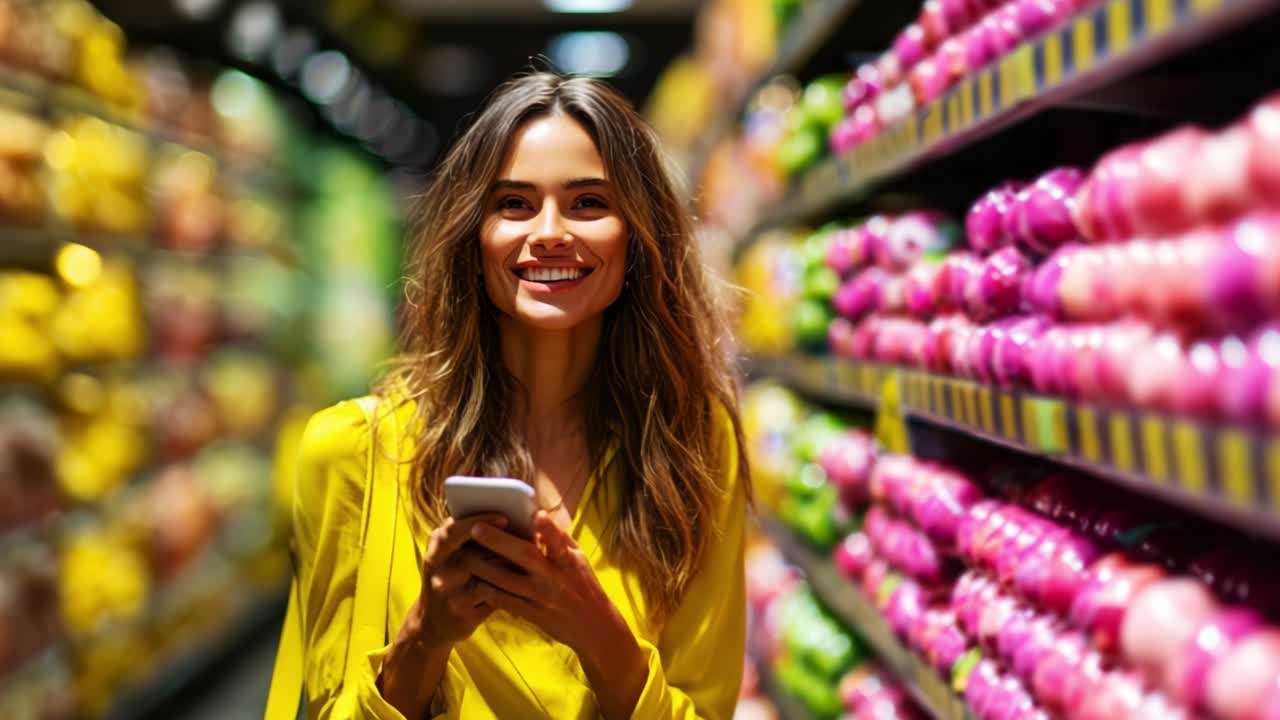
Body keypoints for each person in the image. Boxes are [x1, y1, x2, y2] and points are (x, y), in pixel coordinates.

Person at [280, 72, 751, 720]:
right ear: (472, 235)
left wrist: (595, 629)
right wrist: (427, 634)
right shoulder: (351, 454)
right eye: (514, 204)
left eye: (588, 203)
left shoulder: (694, 451)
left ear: (638, 238)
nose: (550, 231)